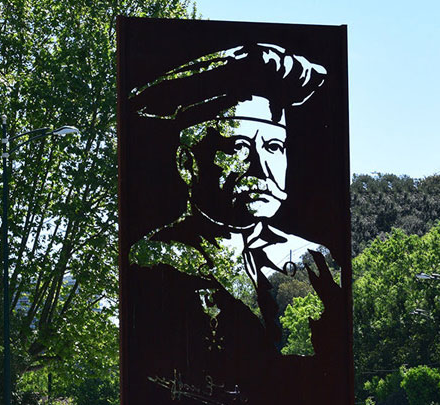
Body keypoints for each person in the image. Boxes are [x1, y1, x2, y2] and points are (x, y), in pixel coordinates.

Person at [128, 43, 337, 348]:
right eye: (238, 147)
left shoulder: (313, 258)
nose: (261, 168)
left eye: (274, 147)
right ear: (187, 162)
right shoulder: (154, 261)